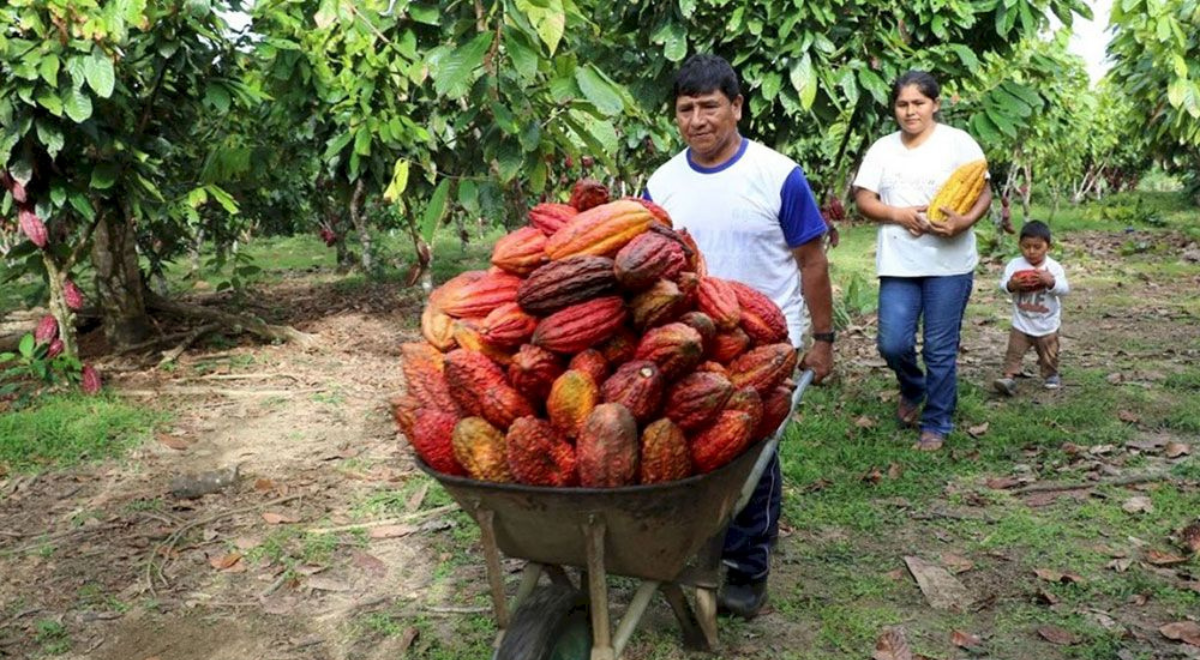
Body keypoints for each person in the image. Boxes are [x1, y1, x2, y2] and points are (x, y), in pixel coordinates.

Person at [644, 53, 835, 620]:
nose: (697, 120)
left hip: (765, 340)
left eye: (709, 106)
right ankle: (694, 541)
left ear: (737, 107)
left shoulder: (779, 174)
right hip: (688, 339)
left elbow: (812, 261)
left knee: (752, 450)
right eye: (686, 109)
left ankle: (748, 566)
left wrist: (822, 338)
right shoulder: (662, 182)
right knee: (692, 444)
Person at [852, 70, 993, 452]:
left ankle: (937, 422)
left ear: (935, 104)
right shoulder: (883, 149)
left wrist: (964, 221)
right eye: (903, 104)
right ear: (894, 108)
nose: (910, 111)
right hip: (899, 262)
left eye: (919, 103)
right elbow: (864, 199)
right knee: (892, 343)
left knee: (939, 349)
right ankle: (914, 386)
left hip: (950, 263)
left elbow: (983, 190)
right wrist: (898, 214)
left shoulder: (958, 143)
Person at [994, 221, 1069, 395]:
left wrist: (1050, 282)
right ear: (1019, 245)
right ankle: (1009, 377)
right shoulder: (1015, 265)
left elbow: (1065, 289)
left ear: (1048, 247)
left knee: (1049, 353)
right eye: (1026, 246)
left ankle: (1050, 374)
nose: (1031, 251)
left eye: (1037, 247)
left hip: (1047, 323)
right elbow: (1003, 286)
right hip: (1021, 321)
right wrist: (1012, 284)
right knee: (1014, 351)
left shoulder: (1053, 267)